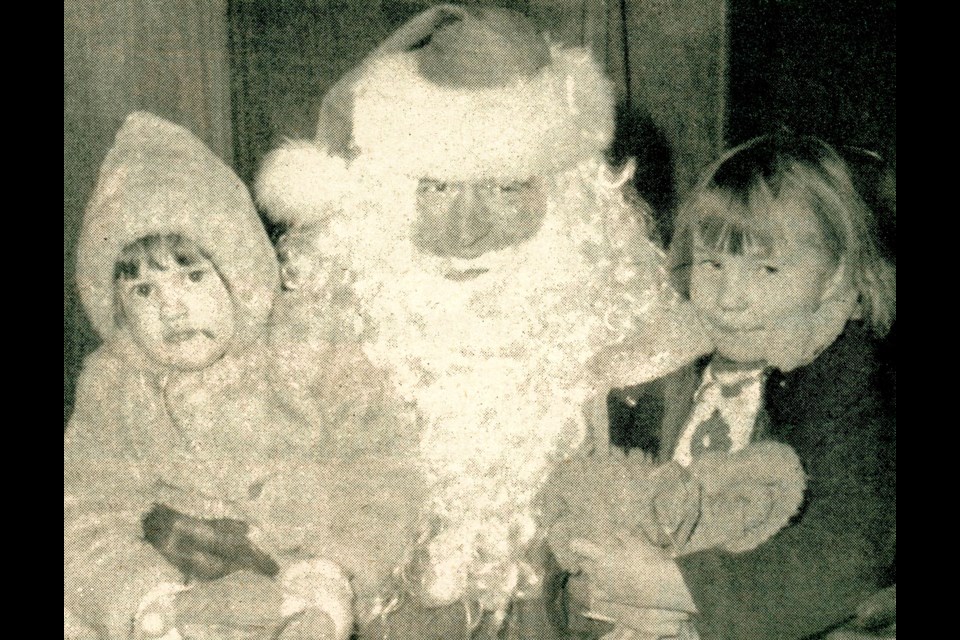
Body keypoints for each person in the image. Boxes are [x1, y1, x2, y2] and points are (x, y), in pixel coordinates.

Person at [254, 5, 711, 638]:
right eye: (437, 188)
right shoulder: (311, 340)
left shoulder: (646, 354)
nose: (465, 233)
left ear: (570, 195)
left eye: (505, 189)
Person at [582, 132, 896, 639]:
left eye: (767, 268)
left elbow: (854, 549)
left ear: (837, 275)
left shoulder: (842, 376)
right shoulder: (677, 358)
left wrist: (680, 589)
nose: (730, 297)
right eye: (713, 264)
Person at [63, 112, 355, 640]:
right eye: (143, 291)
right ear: (118, 308)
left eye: (193, 276)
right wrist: (144, 600)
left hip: (308, 583)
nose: (171, 308)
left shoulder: (309, 344)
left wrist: (328, 581)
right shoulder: (114, 384)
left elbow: (379, 471)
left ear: (241, 272)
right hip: (177, 599)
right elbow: (84, 510)